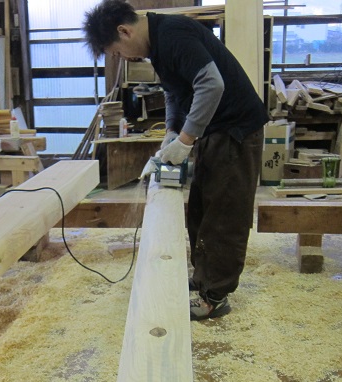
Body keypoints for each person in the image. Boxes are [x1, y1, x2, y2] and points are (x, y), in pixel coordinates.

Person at [83, 0, 268, 320]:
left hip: (235, 130)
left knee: (223, 215)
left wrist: (185, 140)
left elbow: (211, 84)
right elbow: (174, 92)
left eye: (117, 52)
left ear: (124, 31)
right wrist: (172, 130)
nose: (122, 58)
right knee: (200, 210)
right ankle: (204, 278)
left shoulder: (174, 35)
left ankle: (215, 297)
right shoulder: (158, 44)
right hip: (215, 129)